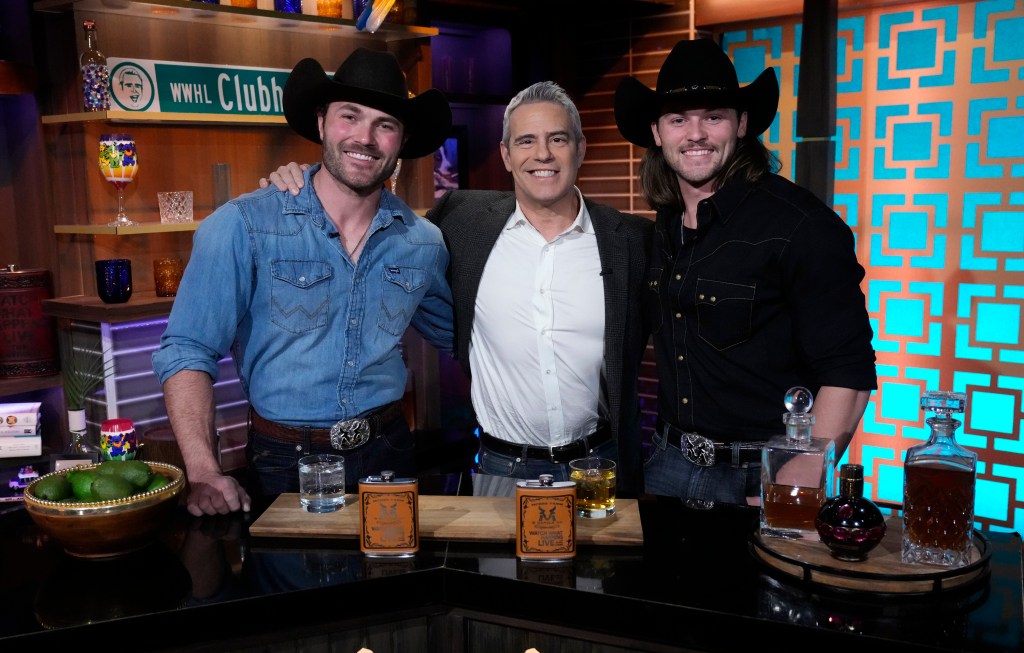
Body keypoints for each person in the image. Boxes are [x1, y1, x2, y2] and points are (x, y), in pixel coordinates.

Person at [264, 82, 651, 496]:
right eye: (525, 141)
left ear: (580, 147)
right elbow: (365, 217)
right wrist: (305, 181)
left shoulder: (631, 241)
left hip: (599, 466)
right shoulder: (461, 222)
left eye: (557, 139)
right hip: (501, 471)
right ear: (505, 154)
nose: (543, 154)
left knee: (605, 564)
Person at [152, 48, 455, 516]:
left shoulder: (424, 242)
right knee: (296, 588)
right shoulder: (244, 225)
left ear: (402, 140)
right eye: (349, 116)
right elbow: (187, 350)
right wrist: (204, 470)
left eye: (385, 124)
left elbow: (463, 337)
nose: (365, 137)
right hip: (284, 461)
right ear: (320, 123)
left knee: (393, 586)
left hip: (390, 454)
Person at [613, 38, 877, 505]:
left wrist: (797, 479)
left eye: (712, 116)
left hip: (760, 474)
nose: (695, 134)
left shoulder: (799, 225)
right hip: (666, 464)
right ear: (657, 132)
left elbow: (849, 373)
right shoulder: (663, 228)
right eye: (678, 119)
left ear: (742, 124)